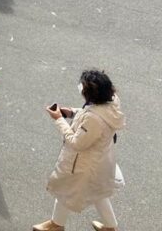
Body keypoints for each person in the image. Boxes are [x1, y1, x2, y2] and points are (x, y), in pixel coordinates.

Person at [34, 70, 125, 231]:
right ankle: (110, 228)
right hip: (101, 161)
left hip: (84, 165)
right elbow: (90, 112)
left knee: (65, 192)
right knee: (98, 194)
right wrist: (71, 112)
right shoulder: (111, 102)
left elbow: (76, 143)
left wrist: (59, 119)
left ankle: (56, 225)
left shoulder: (94, 119)